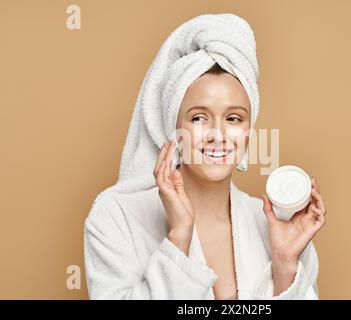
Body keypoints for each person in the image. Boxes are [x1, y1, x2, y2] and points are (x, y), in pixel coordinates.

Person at [84, 14, 326, 300]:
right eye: (199, 118)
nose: (217, 134)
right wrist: (178, 238)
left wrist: (285, 268)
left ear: (249, 130)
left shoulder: (275, 228)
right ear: (172, 127)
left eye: (234, 118)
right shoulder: (115, 216)